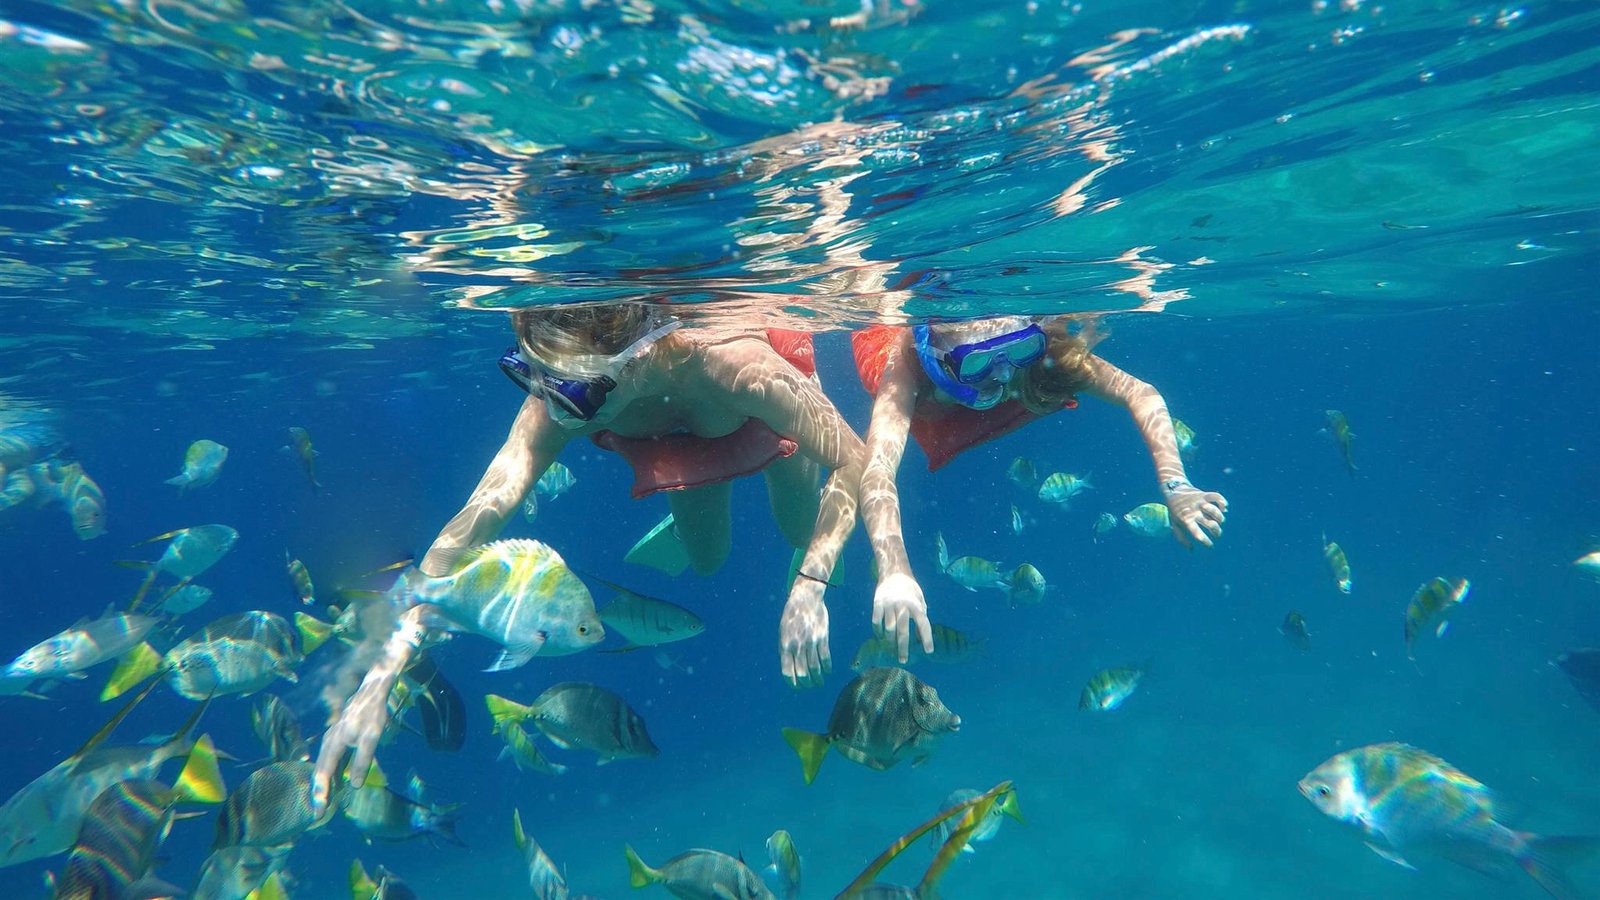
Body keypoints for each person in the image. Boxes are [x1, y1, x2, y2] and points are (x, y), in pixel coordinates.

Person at [313, 302, 866, 806]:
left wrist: (812, 581)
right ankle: (692, 494)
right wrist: (379, 677)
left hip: (760, 410)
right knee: (707, 559)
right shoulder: (560, 391)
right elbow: (476, 516)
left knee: (798, 527)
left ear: (635, 358)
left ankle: (786, 460)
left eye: (572, 390)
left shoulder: (731, 361)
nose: (554, 405)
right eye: (530, 373)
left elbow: (857, 460)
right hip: (681, 432)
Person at [785, 315, 1227, 678]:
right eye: (978, 362)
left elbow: (1140, 393)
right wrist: (893, 569)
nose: (1002, 374)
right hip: (915, 383)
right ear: (937, 355)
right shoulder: (903, 368)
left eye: (1017, 350)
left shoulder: (1044, 355)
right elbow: (878, 469)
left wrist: (1177, 485)